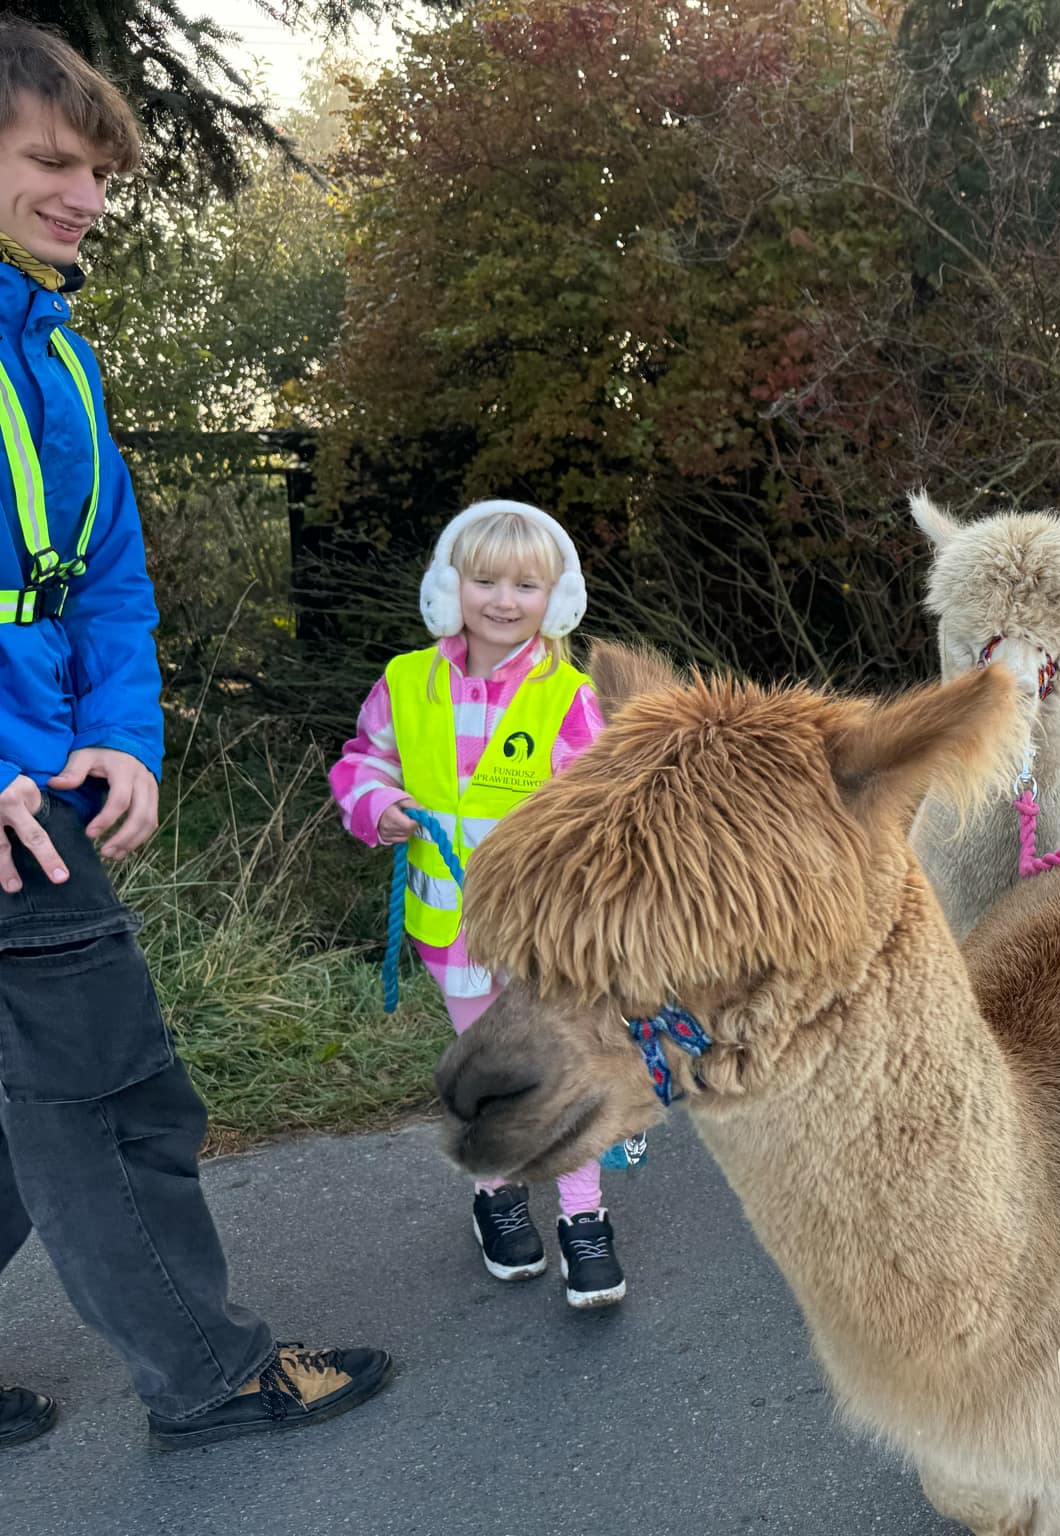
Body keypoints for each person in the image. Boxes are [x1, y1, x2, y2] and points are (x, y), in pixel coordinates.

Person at [0, 21, 389, 1450]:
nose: (86, 194)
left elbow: (104, 581)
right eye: (50, 160)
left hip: (50, 766)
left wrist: (129, 737)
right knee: (113, 1100)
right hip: (10, 799)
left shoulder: (60, 361)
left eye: (98, 169)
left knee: (9, 1111)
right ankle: (210, 1374)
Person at [329, 501, 625, 1308]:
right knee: (489, 1070)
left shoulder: (569, 697)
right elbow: (363, 762)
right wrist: (376, 805)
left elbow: (597, 806)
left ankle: (582, 1214)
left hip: (542, 937)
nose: (503, 599)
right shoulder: (403, 684)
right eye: (485, 580)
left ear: (556, 598)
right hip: (450, 934)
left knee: (559, 1066)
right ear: (447, 588)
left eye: (526, 585)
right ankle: (496, 1192)